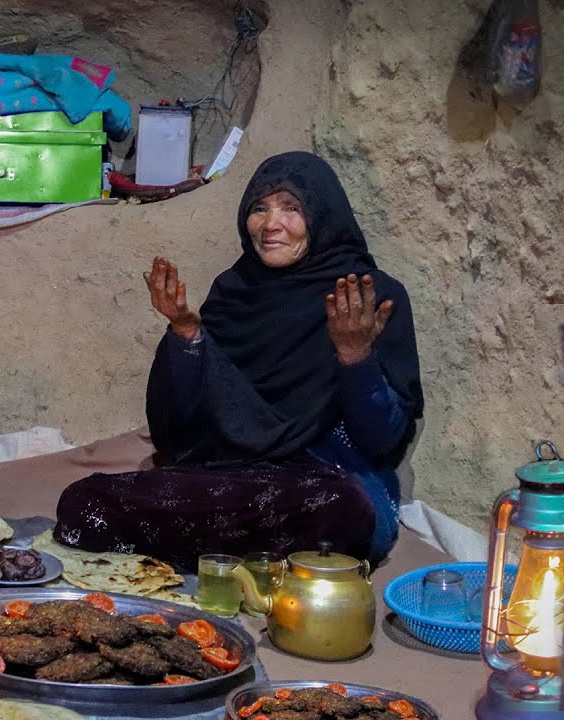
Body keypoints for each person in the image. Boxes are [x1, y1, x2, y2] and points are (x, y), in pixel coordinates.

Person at [54, 151, 423, 566]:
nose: (271, 224)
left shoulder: (369, 296)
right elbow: (182, 433)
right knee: (84, 500)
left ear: (322, 214)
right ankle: (244, 555)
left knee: (341, 509)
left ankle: (210, 552)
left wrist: (355, 357)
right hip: (231, 477)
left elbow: (381, 438)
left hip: (325, 478)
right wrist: (187, 335)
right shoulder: (233, 293)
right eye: (259, 208)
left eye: (291, 208)